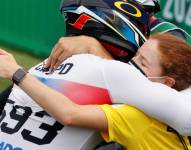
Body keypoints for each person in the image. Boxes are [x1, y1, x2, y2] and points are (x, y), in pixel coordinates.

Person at [0, 33, 191, 150]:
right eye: (136, 55)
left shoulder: (134, 116)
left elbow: (69, 114)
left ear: (167, 82)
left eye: (143, 62)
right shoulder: (160, 107)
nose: (132, 62)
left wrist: (16, 73)